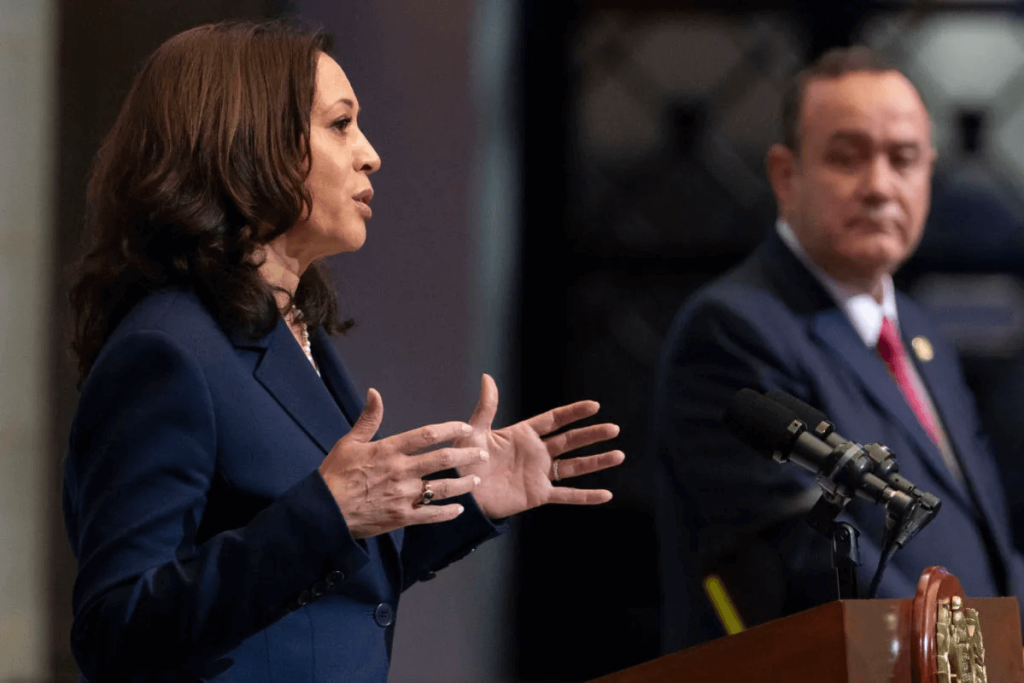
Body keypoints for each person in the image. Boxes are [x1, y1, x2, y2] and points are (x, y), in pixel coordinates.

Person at [62, 21, 624, 682]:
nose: (370, 154)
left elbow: (325, 573)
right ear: (249, 143)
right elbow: (116, 628)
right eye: (340, 124)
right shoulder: (168, 350)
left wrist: (467, 500)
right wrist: (325, 515)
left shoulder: (295, 330)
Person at [649, 46, 1024, 652]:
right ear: (785, 176)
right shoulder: (732, 330)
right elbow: (807, 561)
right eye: (847, 158)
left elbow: (979, 542)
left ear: (929, 171)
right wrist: (982, 656)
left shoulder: (922, 336)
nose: (879, 186)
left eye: (903, 159)